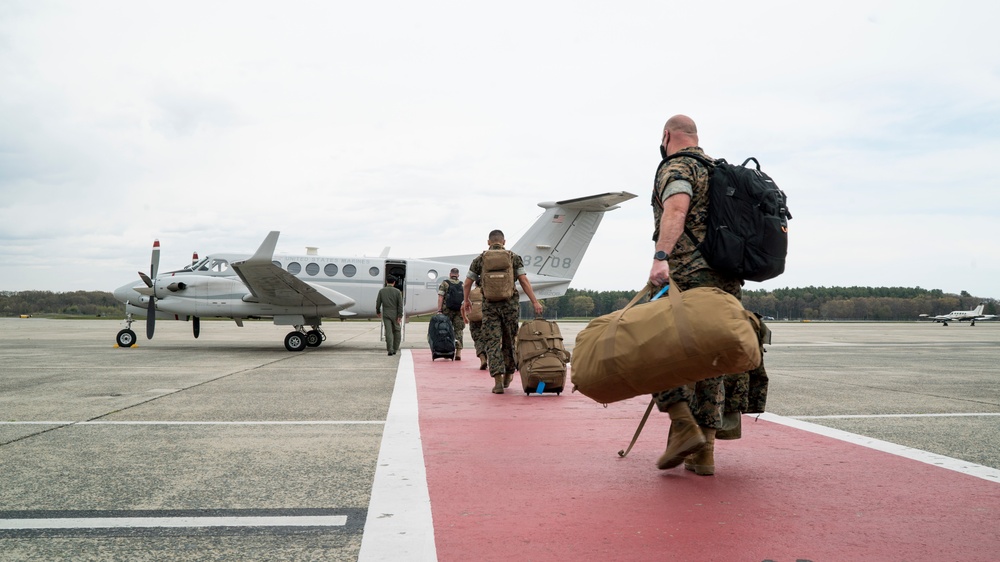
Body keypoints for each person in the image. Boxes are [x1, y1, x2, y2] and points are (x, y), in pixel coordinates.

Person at [648, 114, 744, 475]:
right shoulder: (720, 171)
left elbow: (676, 207)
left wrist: (661, 256)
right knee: (711, 360)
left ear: (667, 135)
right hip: (727, 280)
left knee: (655, 345)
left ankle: (683, 424)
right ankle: (704, 453)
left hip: (689, 276)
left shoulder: (679, 166)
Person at [463, 230, 543, 394]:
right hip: (510, 306)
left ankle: (498, 381)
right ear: (504, 242)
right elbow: (523, 280)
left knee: (492, 342)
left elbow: (467, 283)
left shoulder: (479, 260)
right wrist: (534, 301)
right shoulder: (514, 258)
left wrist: (466, 301)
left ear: (488, 242)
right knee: (509, 341)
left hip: (490, 307)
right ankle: (508, 374)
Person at [436, 267, 466, 360]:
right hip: (459, 311)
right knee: (459, 330)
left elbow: (441, 297)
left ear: (450, 274)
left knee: (446, 330)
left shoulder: (445, 283)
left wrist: (439, 310)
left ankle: (447, 351)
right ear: (458, 275)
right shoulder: (462, 284)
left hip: (447, 310)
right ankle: (458, 352)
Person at [375, 275, 404, 356]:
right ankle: (395, 348)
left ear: (386, 282)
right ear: (394, 282)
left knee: (388, 331)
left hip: (386, 313)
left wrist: (378, 311)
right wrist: (400, 315)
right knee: (397, 331)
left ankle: (390, 349)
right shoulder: (397, 292)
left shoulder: (382, 291)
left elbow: (378, 303)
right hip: (395, 314)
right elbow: (400, 305)